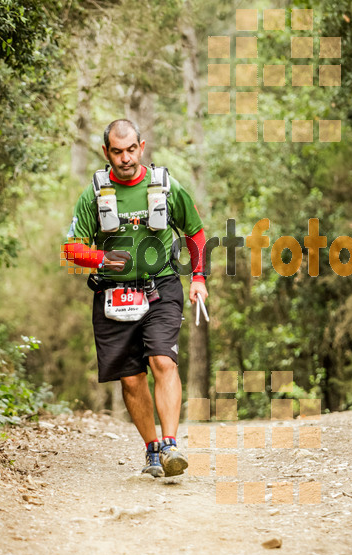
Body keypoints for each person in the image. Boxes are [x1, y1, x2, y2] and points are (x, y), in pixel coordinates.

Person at [63, 118, 208, 478]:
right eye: (117, 151)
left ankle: (172, 443)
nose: (125, 158)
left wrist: (199, 277)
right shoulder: (93, 195)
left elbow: (196, 232)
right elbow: (71, 249)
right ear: (106, 152)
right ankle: (153, 450)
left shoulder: (165, 186)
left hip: (161, 288)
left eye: (131, 150)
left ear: (141, 147)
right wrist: (101, 258)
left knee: (163, 361)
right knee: (131, 379)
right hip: (114, 295)